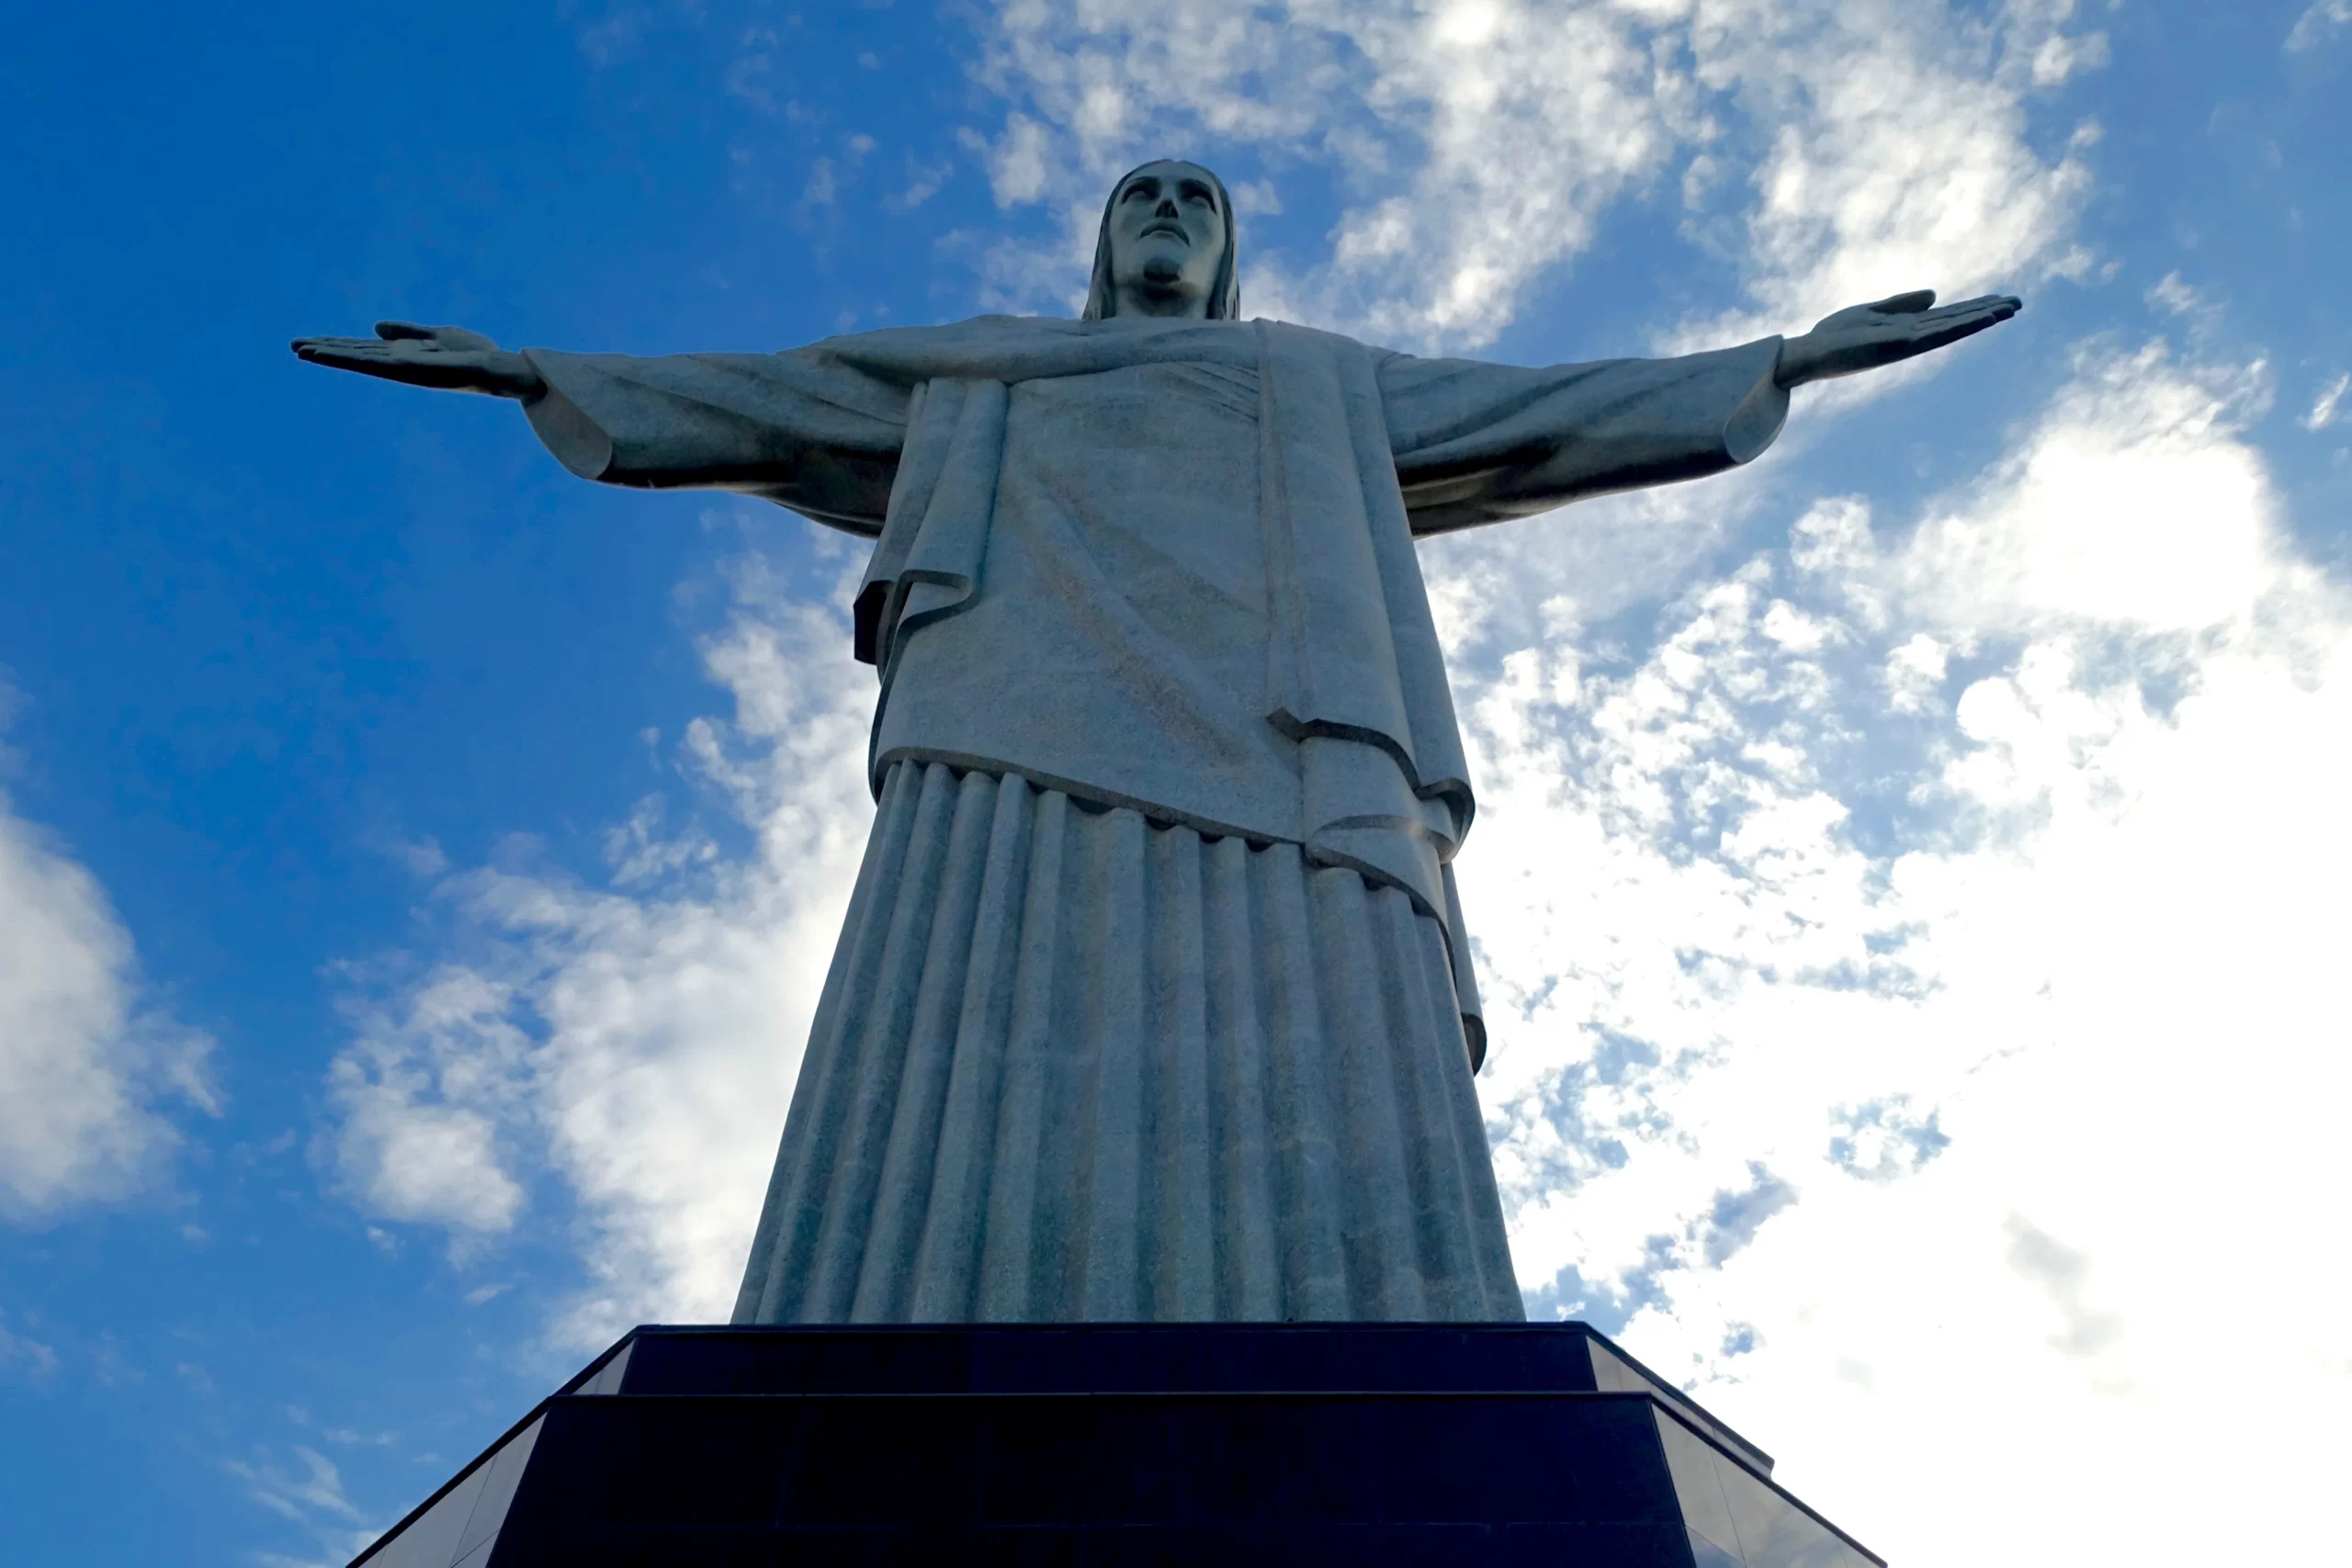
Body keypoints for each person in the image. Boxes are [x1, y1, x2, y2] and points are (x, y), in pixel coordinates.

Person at [296, 159, 2018, 1325]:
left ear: (1230, 250)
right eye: (1143, 196)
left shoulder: (1316, 383)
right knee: (969, 1015)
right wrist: (535, 366)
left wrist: (1779, 359)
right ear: (1103, 241)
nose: (1170, 216)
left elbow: (1538, 409)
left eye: (1198, 199)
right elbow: (773, 395)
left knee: (1327, 1015)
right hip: (1004, 729)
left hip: (1293, 736)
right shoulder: (978, 369)